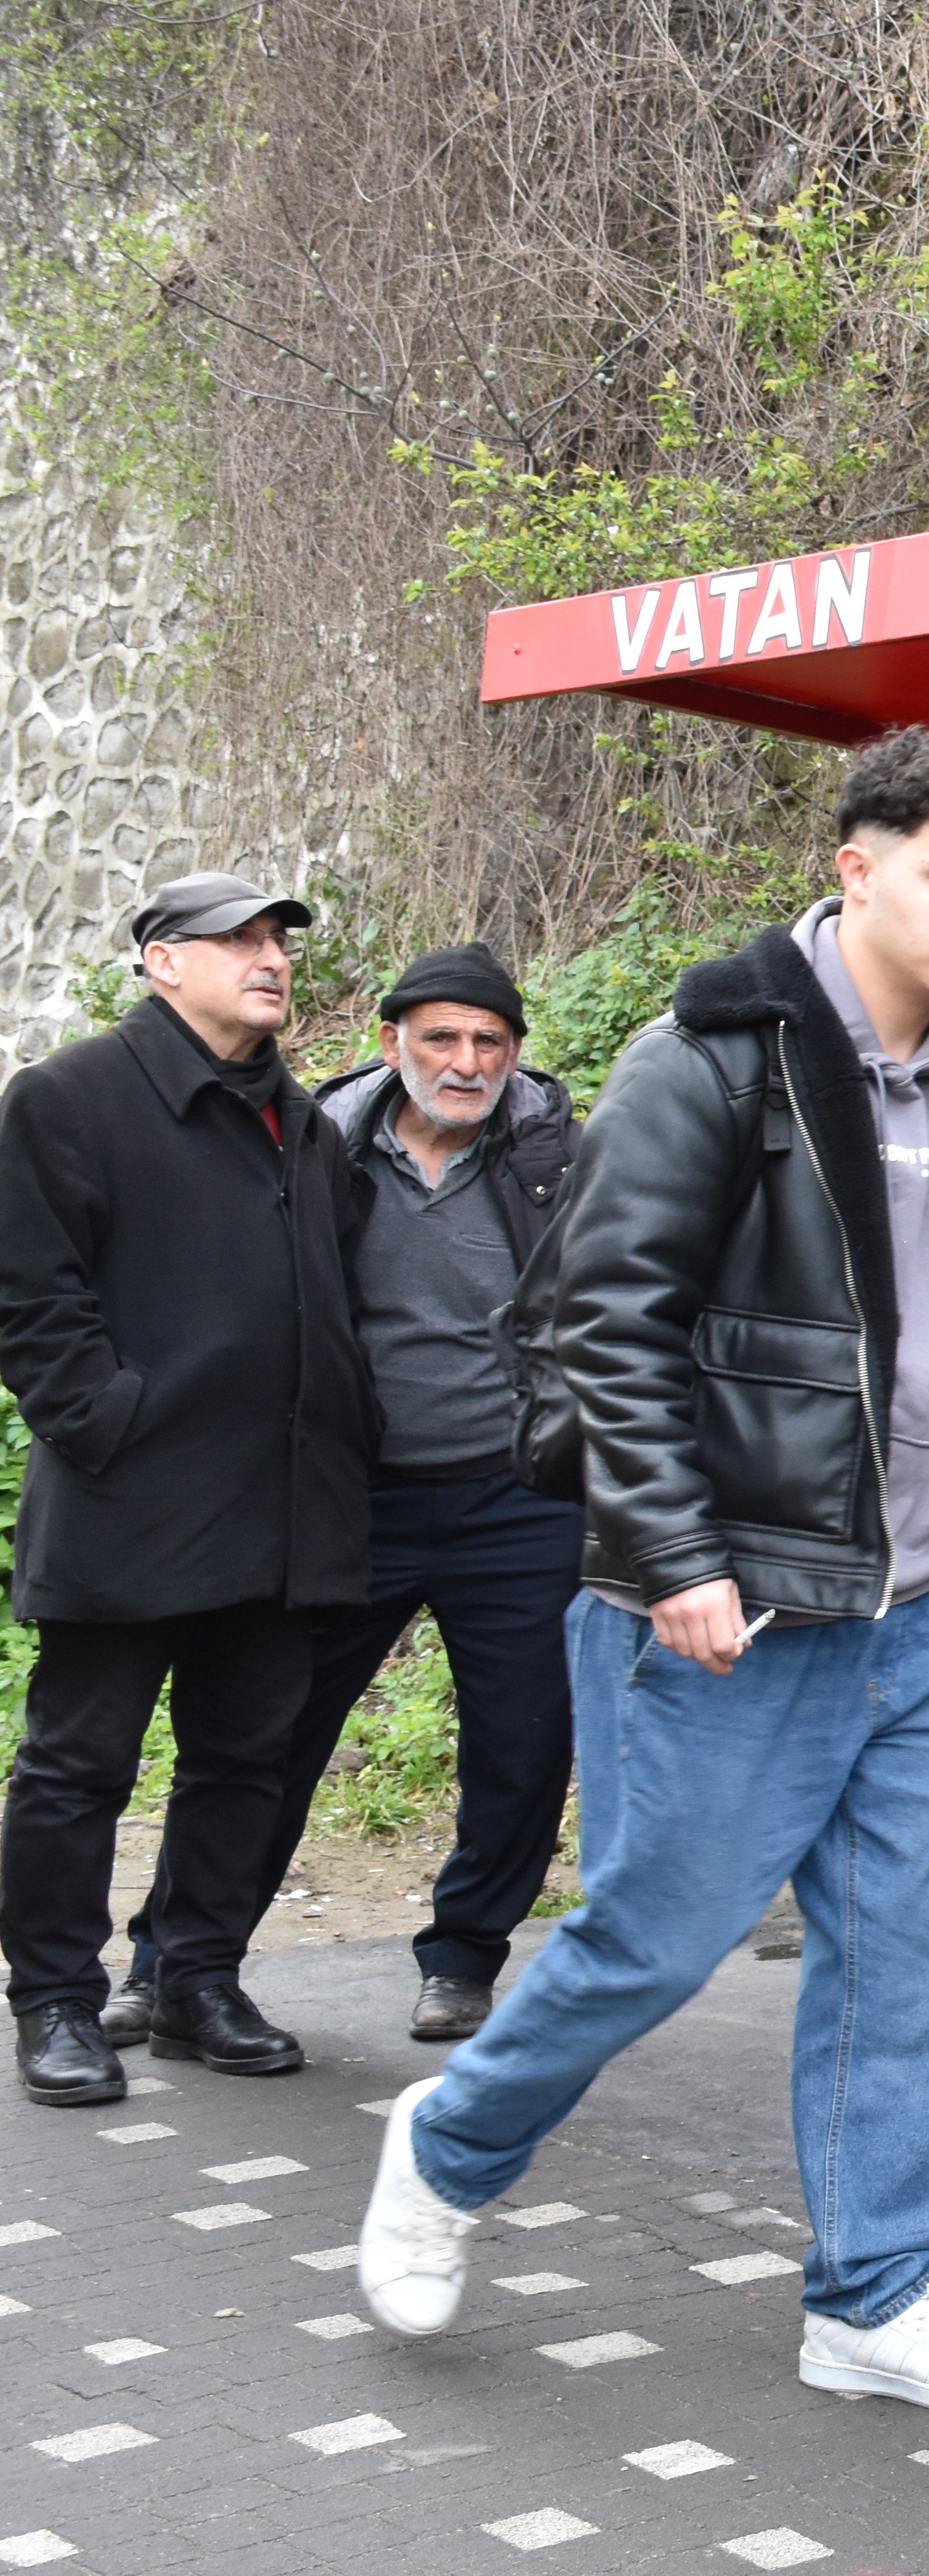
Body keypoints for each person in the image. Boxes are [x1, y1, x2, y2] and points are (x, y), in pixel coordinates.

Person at [352, 729, 929, 2419]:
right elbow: (602, 1324)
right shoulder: (713, 1059)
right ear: (853, 864)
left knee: (923, 1955)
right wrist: (670, 1551)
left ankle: (871, 2295)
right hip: (734, 1599)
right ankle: (453, 2144)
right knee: (657, 1936)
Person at [106, 944, 584, 2050]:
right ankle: (175, 1964)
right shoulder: (313, 1148)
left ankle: (464, 1956)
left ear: (515, 1056)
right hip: (349, 1498)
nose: (466, 1064)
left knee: (523, 1745)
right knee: (261, 1736)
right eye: (443, 1039)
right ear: (391, 1043)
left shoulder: (561, 1159)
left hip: (518, 1499)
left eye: (490, 1044)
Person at [0, 872, 375, 2104]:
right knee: (79, 1762)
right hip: (130, 1502)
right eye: (241, 939)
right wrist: (112, 1424)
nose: (271, 958)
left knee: (245, 1759)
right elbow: (31, 1299)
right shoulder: (69, 1100)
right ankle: (54, 1999)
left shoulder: (307, 1127)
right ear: (163, 961)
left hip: (278, 1515)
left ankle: (196, 1980)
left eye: (279, 941)